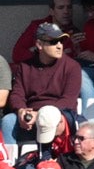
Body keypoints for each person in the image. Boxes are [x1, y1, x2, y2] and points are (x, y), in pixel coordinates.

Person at [5, 22, 79, 151]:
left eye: (61, 41)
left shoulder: (72, 67)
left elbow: (68, 101)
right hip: (30, 115)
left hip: (59, 115)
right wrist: (21, 110)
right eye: (53, 42)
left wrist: (39, 115)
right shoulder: (25, 66)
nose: (59, 46)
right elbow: (17, 94)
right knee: (8, 121)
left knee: (54, 121)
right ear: (39, 44)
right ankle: (6, 164)